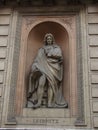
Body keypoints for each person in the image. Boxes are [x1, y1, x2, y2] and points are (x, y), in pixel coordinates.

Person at [27, 33, 67, 108]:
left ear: (52, 40)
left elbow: (60, 56)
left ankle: (49, 103)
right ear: (46, 40)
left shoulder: (56, 48)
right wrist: (34, 65)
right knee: (41, 83)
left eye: (50, 39)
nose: (49, 40)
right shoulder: (41, 49)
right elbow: (37, 59)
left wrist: (50, 54)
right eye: (47, 39)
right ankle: (38, 102)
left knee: (50, 85)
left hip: (53, 67)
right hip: (42, 67)